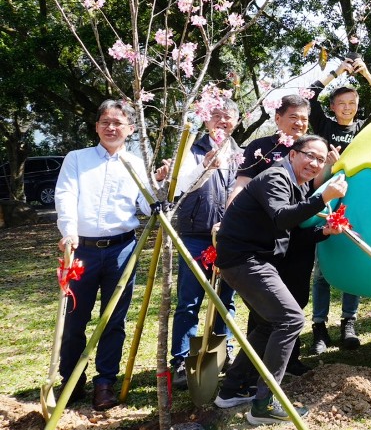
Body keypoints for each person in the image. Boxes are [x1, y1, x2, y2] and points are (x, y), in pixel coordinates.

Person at [214, 135, 348, 425]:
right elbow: (282, 218)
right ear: (292, 154)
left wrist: (324, 231)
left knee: (267, 323)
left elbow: (293, 235)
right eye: (309, 155)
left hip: (253, 260)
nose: (315, 164)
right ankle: (264, 404)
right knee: (290, 320)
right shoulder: (275, 177)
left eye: (321, 160)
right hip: (245, 260)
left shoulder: (295, 185)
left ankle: (233, 388)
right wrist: (323, 197)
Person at [54, 100, 150, 411]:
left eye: (118, 123)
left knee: (113, 320)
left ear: (130, 129)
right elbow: (65, 195)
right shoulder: (77, 159)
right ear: (96, 126)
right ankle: (70, 381)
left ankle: (105, 382)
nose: (111, 128)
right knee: (74, 318)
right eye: (105, 122)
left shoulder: (136, 164)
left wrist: (161, 187)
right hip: (81, 250)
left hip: (122, 250)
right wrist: (69, 231)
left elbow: (148, 204)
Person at [229, 94, 320, 376]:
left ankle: (289, 361)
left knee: (296, 298)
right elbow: (243, 184)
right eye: (293, 117)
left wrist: (327, 165)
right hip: (266, 238)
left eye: (304, 119)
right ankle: (255, 367)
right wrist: (228, 217)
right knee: (265, 307)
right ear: (278, 118)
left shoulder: (313, 151)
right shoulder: (260, 148)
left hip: (298, 237)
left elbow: (314, 191)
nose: (299, 123)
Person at [307, 57, 371, 353]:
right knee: (321, 270)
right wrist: (337, 72)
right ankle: (319, 326)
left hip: (356, 203)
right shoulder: (323, 125)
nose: (347, 108)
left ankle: (349, 322)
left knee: (353, 259)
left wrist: (365, 73)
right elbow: (309, 95)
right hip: (326, 201)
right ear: (332, 106)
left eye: (352, 103)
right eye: (342, 103)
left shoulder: (363, 128)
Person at [168, 100, 242, 387]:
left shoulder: (242, 155)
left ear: (236, 121)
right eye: (216, 115)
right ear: (206, 119)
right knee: (189, 301)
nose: (222, 121)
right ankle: (181, 359)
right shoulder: (191, 150)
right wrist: (204, 166)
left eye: (228, 116)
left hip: (230, 237)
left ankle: (224, 352)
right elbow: (180, 187)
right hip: (195, 234)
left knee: (226, 299)